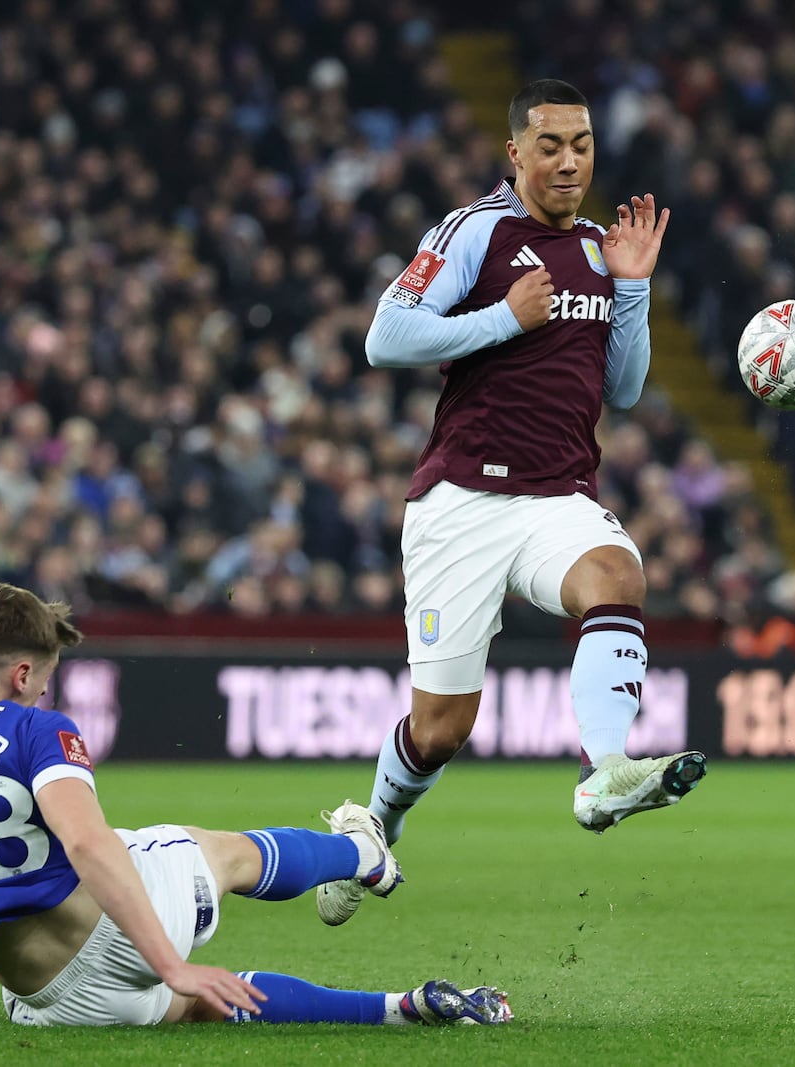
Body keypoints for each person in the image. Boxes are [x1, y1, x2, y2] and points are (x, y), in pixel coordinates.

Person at [0, 583, 511, 1028]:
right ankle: (364, 851)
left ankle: (402, 1009)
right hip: (124, 930)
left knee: (211, 1005)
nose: (45, 689)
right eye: (44, 676)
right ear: (20, 673)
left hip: (46, 996)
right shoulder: (34, 727)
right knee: (218, 850)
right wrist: (170, 961)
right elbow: (89, 845)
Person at [316, 80, 706, 927]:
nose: (570, 160)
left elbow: (627, 390)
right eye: (552, 144)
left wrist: (632, 288)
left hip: (556, 496)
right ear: (516, 153)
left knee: (616, 572)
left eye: (583, 144)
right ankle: (372, 830)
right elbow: (386, 336)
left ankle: (603, 773)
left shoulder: (606, 250)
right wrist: (500, 317)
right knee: (444, 727)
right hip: (461, 502)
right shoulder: (476, 231)